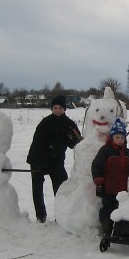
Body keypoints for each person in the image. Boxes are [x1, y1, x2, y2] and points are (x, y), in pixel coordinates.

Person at [27, 95, 82, 223]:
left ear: (65, 109)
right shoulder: (44, 123)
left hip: (56, 160)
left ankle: (60, 215)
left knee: (61, 188)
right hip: (37, 158)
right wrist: (41, 163)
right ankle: (41, 215)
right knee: (37, 188)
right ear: (52, 108)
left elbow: (74, 144)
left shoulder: (69, 124)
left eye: (60, 108)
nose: (58, 110)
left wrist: (73, 137)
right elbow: (37, 144)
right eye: (55, 108)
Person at [92, 118, 129, 236]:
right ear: (112, 137)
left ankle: (121, 229)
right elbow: (97, 166)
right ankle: (106, 228)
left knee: (122, 209)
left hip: (123, 190)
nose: (120, 140)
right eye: (117, 137)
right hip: (109, 188)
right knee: (107, 208)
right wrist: (99, 181)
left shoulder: (128, 153)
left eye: (122, 138)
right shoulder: (105, 151)